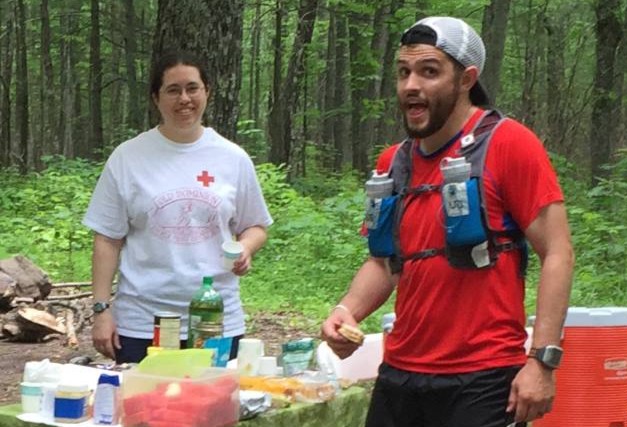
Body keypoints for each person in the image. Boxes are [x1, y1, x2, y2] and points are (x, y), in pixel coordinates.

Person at [321, 16, 574, 427]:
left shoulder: (509, 144)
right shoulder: (393, 163)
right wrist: (346, 309)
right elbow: (384, 261)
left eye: (429, 71)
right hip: (401, 374)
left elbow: (558, 252)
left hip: (483, 378)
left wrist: (543, 361)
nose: (410, 86)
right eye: (403, 72)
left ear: (466, 79)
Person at [83, 51, 273, 364]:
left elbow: (255, 226)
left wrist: (246, 247)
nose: (184, 98)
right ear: (156, 98)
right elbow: (107, 238)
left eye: (192, 88)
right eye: (173, 90)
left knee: (213, 410)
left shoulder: (232, 158)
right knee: (145, 410)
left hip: (215, 319)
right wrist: (101, 311)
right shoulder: (128, 157)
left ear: (207, 92)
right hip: (143, 321)